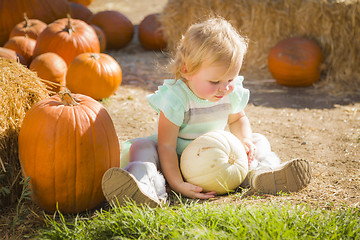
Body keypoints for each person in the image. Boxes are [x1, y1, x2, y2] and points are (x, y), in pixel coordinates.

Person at [101, 17, 312, 207]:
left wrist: (245, 141)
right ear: (187, 70)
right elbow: (166, 145)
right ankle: (146, 187)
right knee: (143, 146)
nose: (225, 87)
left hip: (218, 160)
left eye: (230, 79)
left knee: (259, 140)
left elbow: (239, 118)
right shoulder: (177, 98)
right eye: (215, 81)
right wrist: (178, 183)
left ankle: (264, 173)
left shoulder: (230, 91)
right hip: (175, 160)